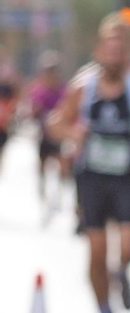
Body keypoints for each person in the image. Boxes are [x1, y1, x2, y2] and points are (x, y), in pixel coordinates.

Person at [48, 15, 130, 313]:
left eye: (121, 48)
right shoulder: (83, 86)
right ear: (99, 50)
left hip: (127, 176)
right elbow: (56, 123)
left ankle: (122, 272)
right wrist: (72, 133)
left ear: (128, 51)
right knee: (96, 253)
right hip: (92, 177)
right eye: (109, 48)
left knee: (127, 247)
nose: (114, 55)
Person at [25, 52, 69, 224]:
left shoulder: (64, 89)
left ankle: (58, 196)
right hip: (43, 135)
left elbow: (68, 110)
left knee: (62, 165)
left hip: (57, 136)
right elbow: (32, 109)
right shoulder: (38, 89)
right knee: (42, 167)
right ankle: (43, 196)